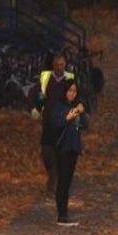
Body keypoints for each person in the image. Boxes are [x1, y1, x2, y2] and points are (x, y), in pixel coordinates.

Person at [35, 51, 77, 195]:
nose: (59, 67)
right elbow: (40, 95)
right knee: (47, 151)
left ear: (65, 64)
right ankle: (53, 174)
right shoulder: (46, 78)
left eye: (61, 64)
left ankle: (55, 180)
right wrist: (36, 108)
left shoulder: (70, 78)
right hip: (48, 119)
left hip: (64, 120)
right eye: (56, 64)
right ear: (52, 64)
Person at [52, 79, 87, 226]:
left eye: (74, 91)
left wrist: (81, 113)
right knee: (63, 181)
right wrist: (69, 116)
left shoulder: (76, 106)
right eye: (70, 91)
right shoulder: (59, 106)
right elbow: (58, 122)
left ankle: (64, 213)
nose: (72, 94)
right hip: (62, 148)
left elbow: (84, 124)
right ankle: (62, 214)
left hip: (73, 148)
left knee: (68, 181)